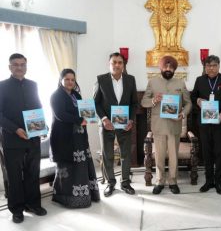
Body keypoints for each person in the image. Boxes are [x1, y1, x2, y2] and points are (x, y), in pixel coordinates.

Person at [0, 53, 47, 223]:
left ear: (26, 66)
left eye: (22, 64)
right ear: (9, 67)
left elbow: (38, 106)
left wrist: (43, 126)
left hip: (33, 138)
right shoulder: (2, 86)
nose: (19, 67)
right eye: (16, 64)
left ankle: (33, 204)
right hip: (12, 139)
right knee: (14, 176)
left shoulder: (33, 85)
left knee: (32, 173)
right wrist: (16, 129)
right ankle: (17, 209)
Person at [141, 56, 192, 194]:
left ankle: (173, 181)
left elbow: (188, 103)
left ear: (174, 69)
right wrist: (153, 100)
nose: (168, 69)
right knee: (159, 155)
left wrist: (183, 113)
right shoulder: (152, 82)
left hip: (174, 126)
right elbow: (144, 102)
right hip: (158, 126)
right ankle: (159, 181)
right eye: (166, 67)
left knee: (174, 155)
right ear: (161, 68)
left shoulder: (180, 83)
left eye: (171, 67)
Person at [50, 69, 100, 208]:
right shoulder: (56, 96)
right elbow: (60, 115)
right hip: (63, 137)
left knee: (81, 167)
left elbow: (83, 112)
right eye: (67, 79)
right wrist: (79, 120)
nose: (70, 82)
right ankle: (65, 199)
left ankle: (86, 196)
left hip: (79, 136)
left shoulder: (76, 95)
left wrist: (88, 117)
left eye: (72, 79)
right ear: (61, 80)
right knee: (68, 168)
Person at [94, 52, 138, 197]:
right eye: (114, 62)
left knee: (125, 155)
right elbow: (96, 103)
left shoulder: (131, 80)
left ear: (123, 65)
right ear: (109, 64)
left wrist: (131, 119)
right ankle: (110, 183)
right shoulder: (101, 80)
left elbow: (134, 102)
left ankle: (125, 183)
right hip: (107, 125)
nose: (117, 65)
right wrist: (104, 119)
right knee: (108, 155)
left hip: (125, 124)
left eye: (120, 62)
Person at [191, 55, 221, 195]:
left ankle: (218, 182)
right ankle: (208, 181)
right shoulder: (200, 80)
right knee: (206, 152)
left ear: (219, 66)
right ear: (205, 67)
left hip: (219, 123)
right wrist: (198, 100)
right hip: (204, 123)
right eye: (208, 65)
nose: (211, 68)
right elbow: (193, 97)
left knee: (219, 152)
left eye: (214, 65)